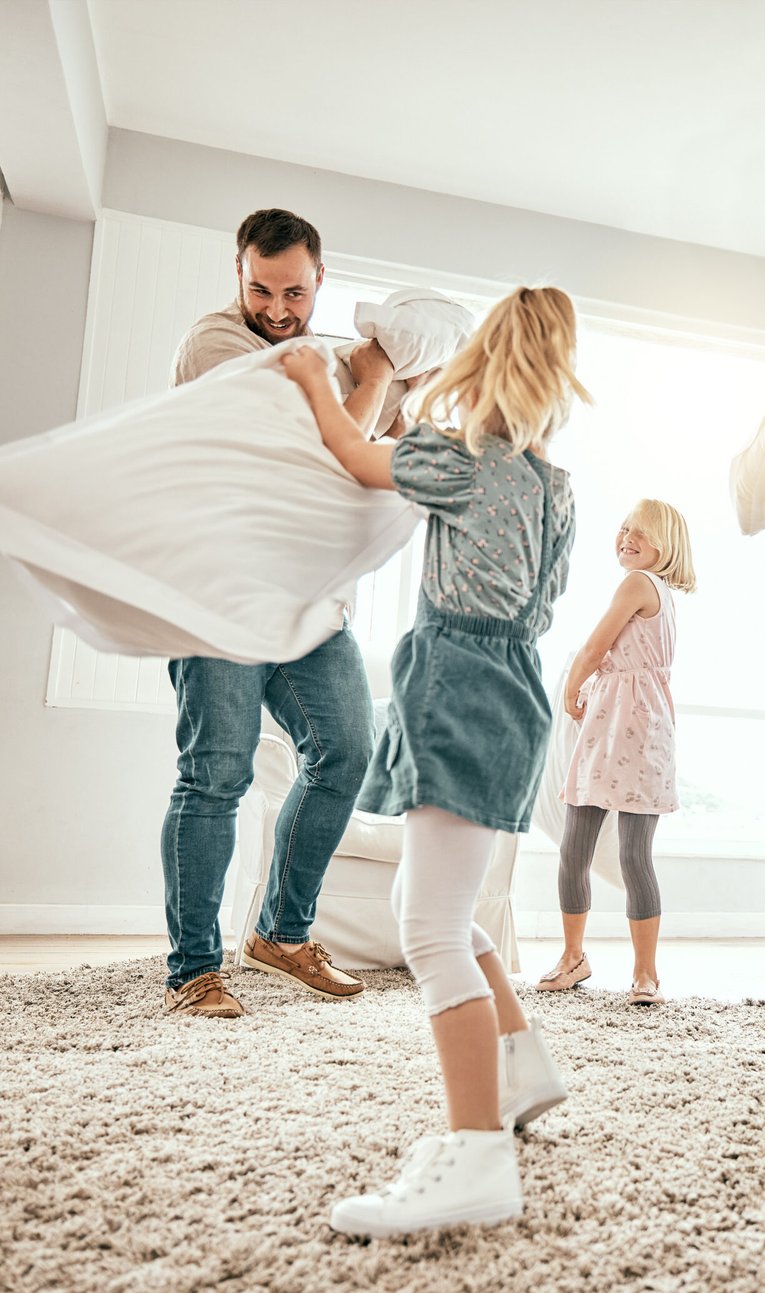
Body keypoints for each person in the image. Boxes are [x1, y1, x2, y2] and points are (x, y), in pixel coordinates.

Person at [280, 285, 589, 1237]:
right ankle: (521, 1066)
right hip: (515, 694)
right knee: (449, 902)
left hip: (455, 684)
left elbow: (352, 453)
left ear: (481, 364)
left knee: (428, 931)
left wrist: (311, 380)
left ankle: (475, 1157)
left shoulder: (450, 457)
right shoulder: (553, 484)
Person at [161, 208, 398, 1019]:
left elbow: (372, 450)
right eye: (260, 288)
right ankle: (193, 970)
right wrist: (369, 382)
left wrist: (396, 383)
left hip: (305, 599)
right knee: (215, 774)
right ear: (240, 274)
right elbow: (311, 452)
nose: (276, 306)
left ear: (320, 280)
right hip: (220, 592)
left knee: (346, 748)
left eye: (293, 291)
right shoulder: (215, 345)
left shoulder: (320, 357)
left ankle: (281, 934)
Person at [539, 499, 695, 1007]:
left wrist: (571, 689)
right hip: (635, 724)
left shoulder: (639, 584)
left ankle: (579, 956)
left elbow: (594, 645)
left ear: (663, 546)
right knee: (624, 853)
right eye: (624, 528)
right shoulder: (662, 593)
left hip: (624, 724)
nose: (626, 538)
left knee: (583, 849)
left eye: (641, 534)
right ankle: (638, 973)